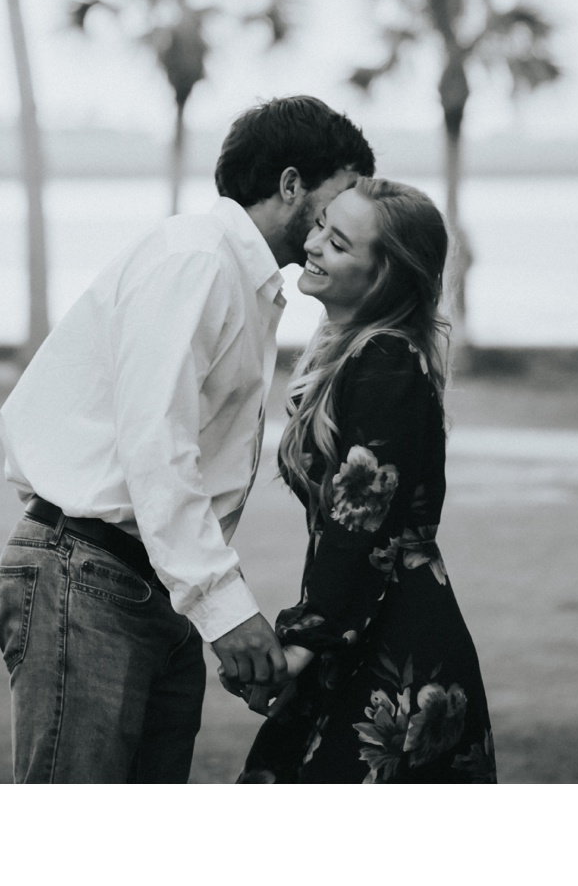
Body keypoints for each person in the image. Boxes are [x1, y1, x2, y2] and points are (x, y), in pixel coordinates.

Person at [0, 96, 374, 782]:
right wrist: (224, 610)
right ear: (291, 185)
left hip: (149, 584)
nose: (348, 214)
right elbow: (156, 445)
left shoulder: (238, 278)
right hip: (88, 571)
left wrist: (203, 604)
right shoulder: (195, 259)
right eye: (342, 192)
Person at [238, 177, 496, 781]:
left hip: (393, 644)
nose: (314, 244)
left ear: (384, 275)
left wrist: (305, 640)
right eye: (322, 226)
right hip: (364, 628)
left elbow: (360, 525)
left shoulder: (385, 363)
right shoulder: (359, 355)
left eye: (340, 242)